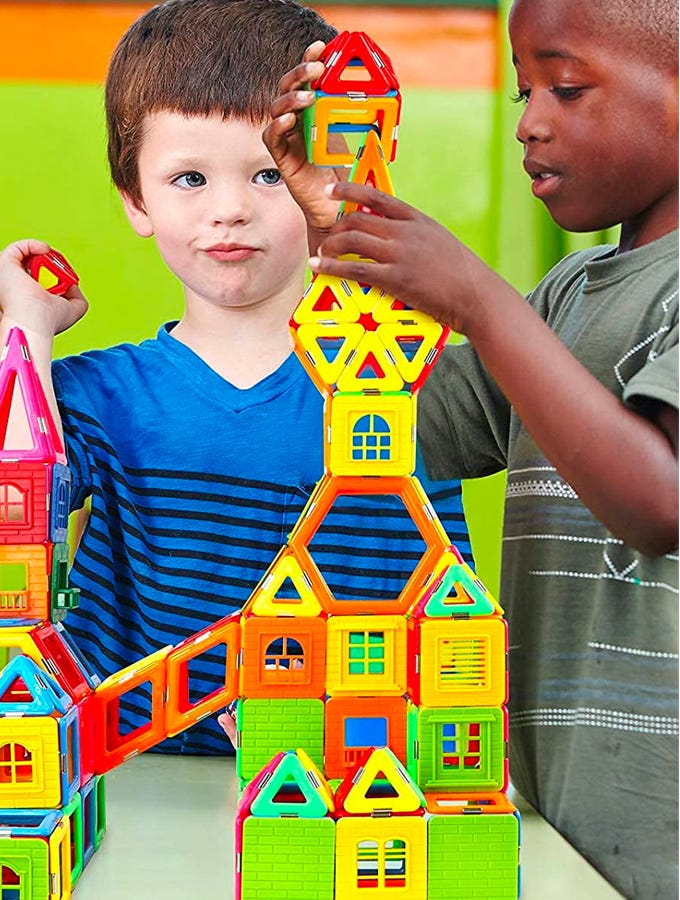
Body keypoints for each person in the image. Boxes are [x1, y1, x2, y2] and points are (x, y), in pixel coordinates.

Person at [0, 0, 473, 754]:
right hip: (132, 785)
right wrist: (26, 324)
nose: (230, 210)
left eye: (270, 174)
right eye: (188, 178)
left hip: (347, 791)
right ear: (135, 200)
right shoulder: (97, 396)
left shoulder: (397, 384)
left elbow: (446, 630)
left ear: (323, 178)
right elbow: (9, 507)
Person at [264, 0, 678, 894]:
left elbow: (659, 501)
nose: (529, 122)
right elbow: (398, 426)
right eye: (527, 90)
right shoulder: (566, 295)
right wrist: (335, 226)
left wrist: (482, 305)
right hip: (557, 826)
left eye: (565, 88)